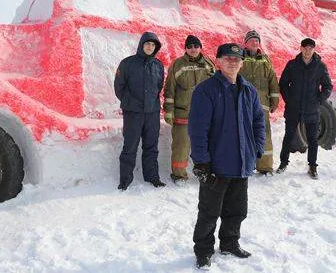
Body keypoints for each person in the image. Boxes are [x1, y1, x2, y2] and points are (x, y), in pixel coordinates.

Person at [188, 43, 265, 268]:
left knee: (237, 209)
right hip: (216, 164)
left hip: (242, 162)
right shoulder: (207, 90)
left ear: (242, 62)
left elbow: (259, 122)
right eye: (228, 58)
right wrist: (202, 161)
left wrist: (257, 148)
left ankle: (230, 242)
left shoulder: (248, 90)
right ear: (218, 61)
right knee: (209, 211)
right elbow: (198, 128)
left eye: (237, 58)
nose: (232, 62)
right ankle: (203, 250)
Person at [114, 31, 167, 191]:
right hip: (133, 113)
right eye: (147, 44)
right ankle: (125, 180)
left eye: (153, 45)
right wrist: (130, 102)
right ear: (141, 45)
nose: (150, 47)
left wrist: (151, 103)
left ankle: (152, 177)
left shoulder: (158, 65)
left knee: (151, 146)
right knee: (130, 146)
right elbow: (119, 87)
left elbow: (159, 86)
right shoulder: (127, 63)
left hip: (152, 113)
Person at [276, 38, 333, 179]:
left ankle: (312, 166)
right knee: (288, 137)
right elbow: (283, 84)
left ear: (314, 49)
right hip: (293, 109)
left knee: (312, 139)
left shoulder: (320, 66)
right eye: (305, 48)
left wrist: (318, 100)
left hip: (311, 110)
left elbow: (327, 86)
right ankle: (283, 163)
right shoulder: (292, 65)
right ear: (301, 48)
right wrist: (289, 100)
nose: (308, 50)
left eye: (310, 48)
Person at [163, 34, 215, 185]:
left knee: (204, 145)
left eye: (196, 46)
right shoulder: (177, 64)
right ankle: (179, 175)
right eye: (190, 46)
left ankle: (203, 172)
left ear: (200, 47)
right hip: (183, 112)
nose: (193, 49)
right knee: (181, 146)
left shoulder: (209, 64)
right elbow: (169, 89)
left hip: (204, 114)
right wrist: (168, 110)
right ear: (185, 48)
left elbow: (216, 88)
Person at [239, 30, 280, 176]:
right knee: (243, 134)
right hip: (242, 105)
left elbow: (272, 81)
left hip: (261, 105)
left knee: (264, 134)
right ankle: (245, 166)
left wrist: (274, 100)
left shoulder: (265, 60)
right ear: (246, 43)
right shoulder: (239, 58)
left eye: (257, 40)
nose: (255, 43)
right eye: (252, 40)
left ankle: (265, 167)